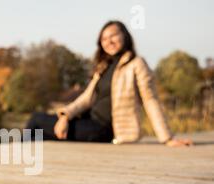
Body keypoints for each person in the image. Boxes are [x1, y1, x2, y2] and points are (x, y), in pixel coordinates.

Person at [25, 20, 193, 147]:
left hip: (103, 129)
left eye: (113, 35)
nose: (109, 41)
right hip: (87, 121)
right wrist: (65, 116)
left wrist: (167, 138)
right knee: (41, 132)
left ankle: (18, 161)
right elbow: (85, 100)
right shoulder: (103, 67)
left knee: (37, 121)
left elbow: (150, 100)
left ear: (124, 36)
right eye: (104, 38)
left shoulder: (136, 64)